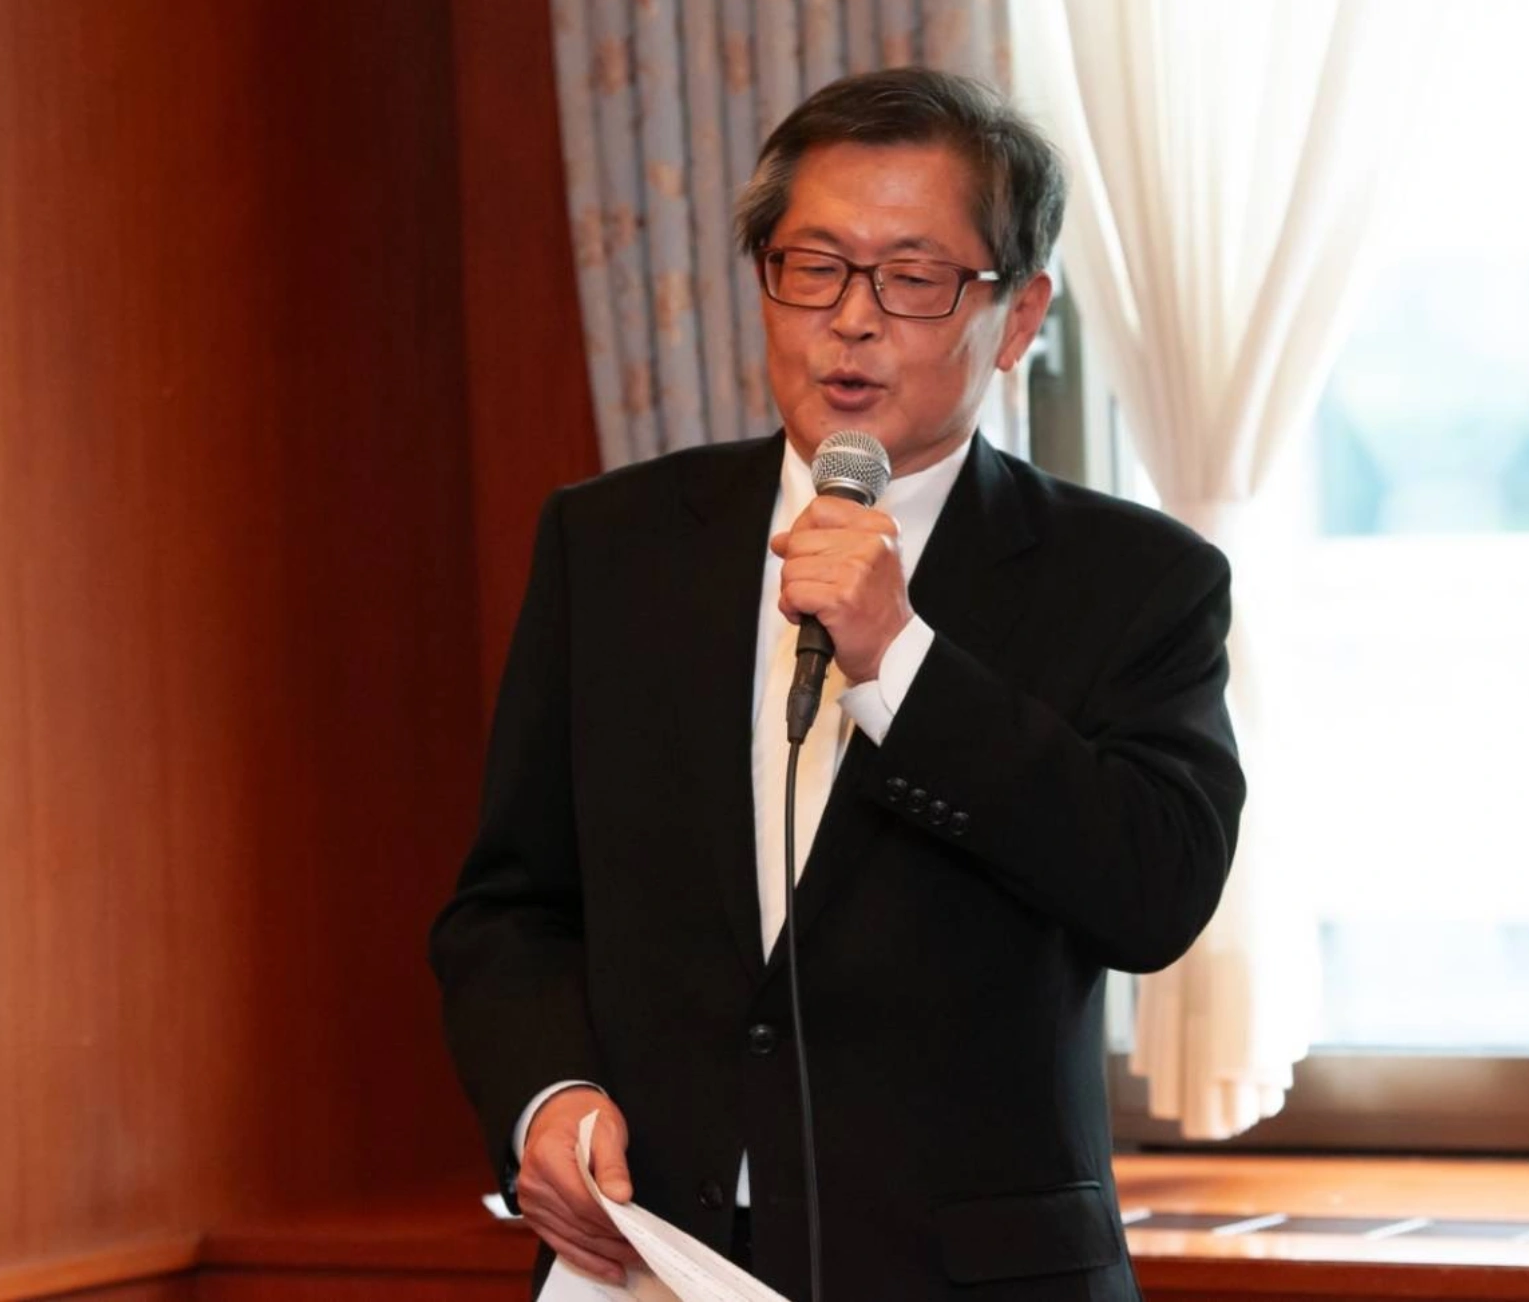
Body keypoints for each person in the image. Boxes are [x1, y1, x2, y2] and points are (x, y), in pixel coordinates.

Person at [430, 67, 1243, 1302]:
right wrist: (547, 1093)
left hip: (971, 1278)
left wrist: (899, 659)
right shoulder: (614, 546)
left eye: (912, 278)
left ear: (1018, 316)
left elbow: (1154, 891)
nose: (850, 321)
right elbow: (510, 904)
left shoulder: (1133, 578)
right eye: (813, 266)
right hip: (657, 1257)